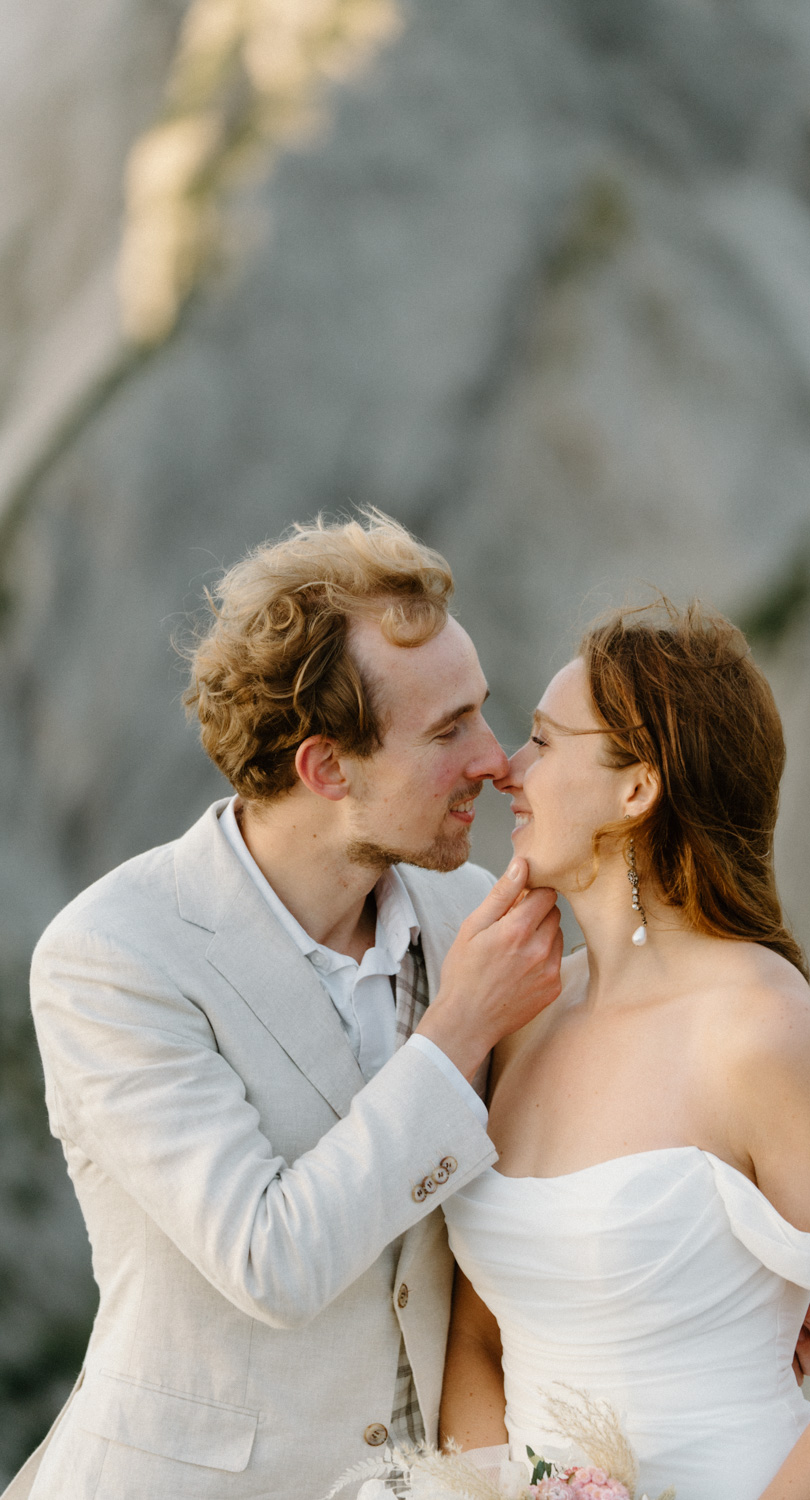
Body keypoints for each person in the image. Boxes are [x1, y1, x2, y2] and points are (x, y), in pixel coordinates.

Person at [7, 516, 564, 1500]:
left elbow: (623, 1081)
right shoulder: (111, 960)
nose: (496, 758)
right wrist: (459, 1028)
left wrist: (735, 1269)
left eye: (481, 711)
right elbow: (271, 1262)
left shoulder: (471, 912)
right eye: (448, 731)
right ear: (325, 769)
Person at [439, 600, 810, 1500]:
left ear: (638, 789)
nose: (510, 770)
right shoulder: (522, 1015)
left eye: (546, 744)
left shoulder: (762, 1033)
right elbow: (476, 1337)